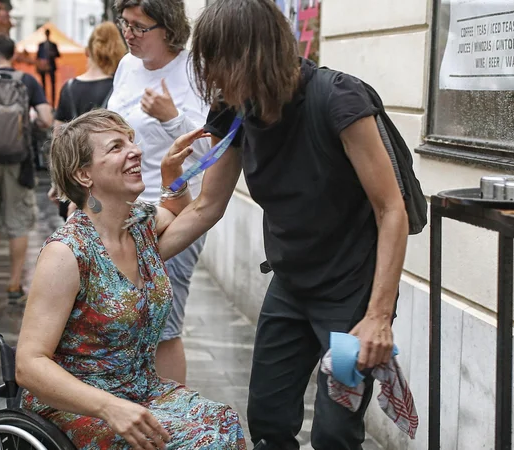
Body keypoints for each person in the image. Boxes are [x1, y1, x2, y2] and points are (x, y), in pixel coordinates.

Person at [156, 1, 410, 448]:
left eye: (219, 65)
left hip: (350, 294)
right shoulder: (234, 109)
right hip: (290, 286)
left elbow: (391, 209)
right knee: (269, 422)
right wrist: (133, 261)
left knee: (335, 432)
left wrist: (378, 316)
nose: (213, 79)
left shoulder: (339, 99)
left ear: (253, 54)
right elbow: (206, 207)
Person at [16, 109, 246, 449]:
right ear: (83, 174)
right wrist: (108, 407)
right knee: (202, 442)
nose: (135, 151)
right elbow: (29, 365)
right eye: (115, 147)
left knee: (224, 420)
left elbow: (194, 210)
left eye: (132, 142)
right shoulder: (67, 253)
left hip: (140, 388)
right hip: (78, 406)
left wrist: (174, 174)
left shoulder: (140, 226)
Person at [107, 0, 210, 385]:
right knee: (122, 322)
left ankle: (174, 418)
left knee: (163, 325)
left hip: (174, 211)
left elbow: (212, 153)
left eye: (139, 27)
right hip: (119, 212)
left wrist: (171, 119)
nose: (128, 34)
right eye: (125, 23)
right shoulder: (127, 66)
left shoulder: (194, 71)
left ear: (167, 29)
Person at [0, 33, 52, 302]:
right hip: (19, 161)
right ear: (12, 55)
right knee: (18, 222)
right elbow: (47, 118)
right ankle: (15, 285)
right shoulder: (27, 82)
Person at [50, 21, 126, 222]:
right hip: (107, 178)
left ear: (87, 51)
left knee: (75, 242)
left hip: (74, 176)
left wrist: (57, 182)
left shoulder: (69, 87)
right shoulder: (119, 88)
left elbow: (58, 140)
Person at [36, 28, 60, 106]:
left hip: (51, 66)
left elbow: (58, 54)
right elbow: (38, 56)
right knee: (43, 84)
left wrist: (52, 53)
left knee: (52, 84)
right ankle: (44, 101)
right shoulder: (41, 45)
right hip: (43, 66)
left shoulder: (53, 45)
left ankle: (53, 103)